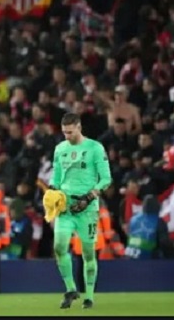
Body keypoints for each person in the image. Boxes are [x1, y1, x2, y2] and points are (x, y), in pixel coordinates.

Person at [49, 113, 112, 309]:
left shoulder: (95, 148)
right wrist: (52, 192)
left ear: (79, 127)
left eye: (70, 132)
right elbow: (56, 177)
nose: (67, 136)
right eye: (64, 133)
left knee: (88, 254)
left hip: (87, 209)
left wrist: (89, 197)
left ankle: (89, 296)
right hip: (66, 206)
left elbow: (106, 179)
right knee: (59, 247)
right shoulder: (60, 149)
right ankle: (70, 289)